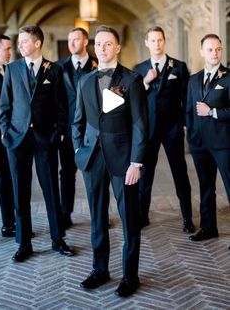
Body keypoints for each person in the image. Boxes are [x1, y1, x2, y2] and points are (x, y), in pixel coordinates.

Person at [72, 25, 147, 297]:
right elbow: (78, 121)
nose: (102, 49)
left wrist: (136, 163)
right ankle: (99, 269)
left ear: (117, 48)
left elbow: (140, 124)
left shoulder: (131, 80)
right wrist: (79, 150)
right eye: (99, 44)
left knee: (129, 218)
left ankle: (130, 275)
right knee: (97, 218)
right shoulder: (85, 80)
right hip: (92, 159)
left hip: (123, 159)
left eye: (108, 44)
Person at [0, 25, 74, 262]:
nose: (19, 45)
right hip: (17, 139)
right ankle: (24, 244)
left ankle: (58, 239)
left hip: (45, 139)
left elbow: (63, 107)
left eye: (23, 41)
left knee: (51, 189)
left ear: (37, 43)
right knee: (20, 191)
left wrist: (59, 134)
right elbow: (5, 106)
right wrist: (5, 133)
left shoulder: (54, 70)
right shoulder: (12, 70)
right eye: (18, 42)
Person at [134, 26, 194, 232]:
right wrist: (146, 81)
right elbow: (134, 98)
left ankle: (187, 217)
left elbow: (187, 99)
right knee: (146, 175)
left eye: (160, 40)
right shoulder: (139, 69)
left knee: (180, 173)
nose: (157, 44)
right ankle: (142, 216)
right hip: (148, 130)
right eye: (153, 40)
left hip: (172, 128)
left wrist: (185, 124)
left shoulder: (179, 67)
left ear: (164, 41)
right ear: (146, 43)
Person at [186, 33, 230, 242]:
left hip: (223, 143)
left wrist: (212, 111)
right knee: (206, 187)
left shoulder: (228, 77)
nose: (215, 53)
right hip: (199, 143)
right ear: (202, 52)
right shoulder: (193, 79)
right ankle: (208, 228)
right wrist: (190, 133)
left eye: (218, 49)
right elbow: (188, 109)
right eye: (211, 49)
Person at [57, 27, 97, 229]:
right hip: (67, 131)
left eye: (76, 39)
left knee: (96, 174)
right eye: (69, 39)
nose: (71, 43)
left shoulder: (98, 66)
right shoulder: (58, 68)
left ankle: (99, 215)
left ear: (85, 42)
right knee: (67, 173)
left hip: (92, 131)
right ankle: (65, 214)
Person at [0, 34, 15, 237]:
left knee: (7, 182)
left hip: (7, 138)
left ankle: (9, 225)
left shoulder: (10, 71)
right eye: (7, 49)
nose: (10, 52)